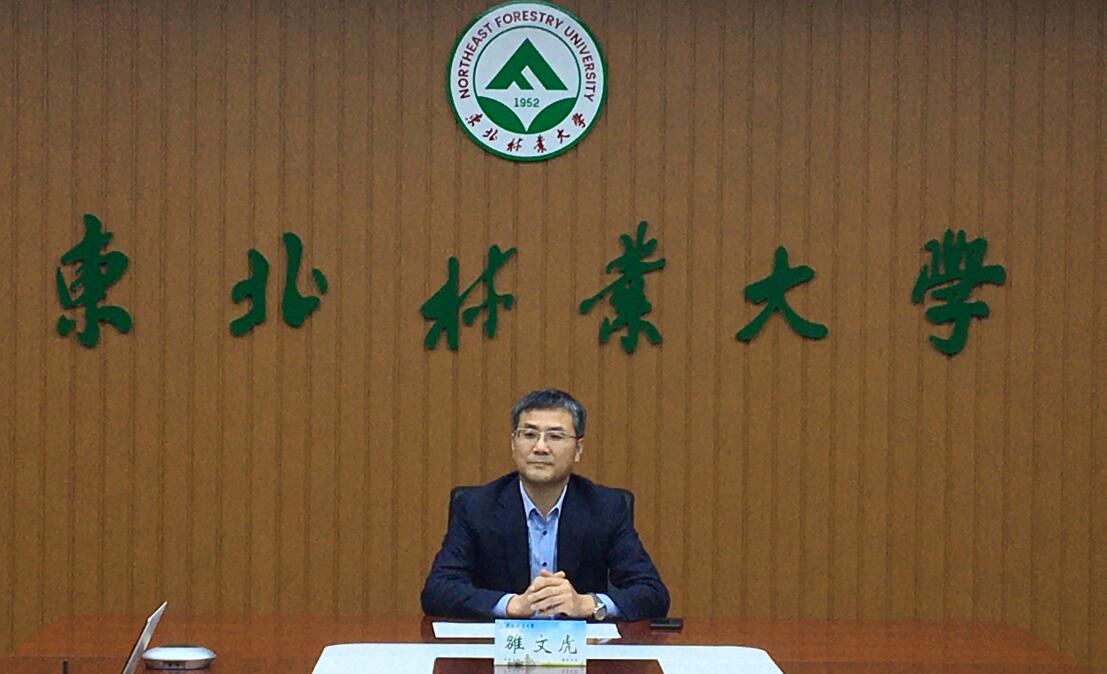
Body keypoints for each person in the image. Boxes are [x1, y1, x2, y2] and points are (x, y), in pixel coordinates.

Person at [421, 389, 669, 621]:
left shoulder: (605, 508)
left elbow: (652, 593)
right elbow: (438, 590)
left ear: (578, 449)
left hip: (578, 648)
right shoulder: (477, 506)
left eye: (555, 436)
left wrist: (587, 604)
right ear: (513, 444)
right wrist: (511, 604)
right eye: (529, 435)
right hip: (502, 646)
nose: (540, 447)